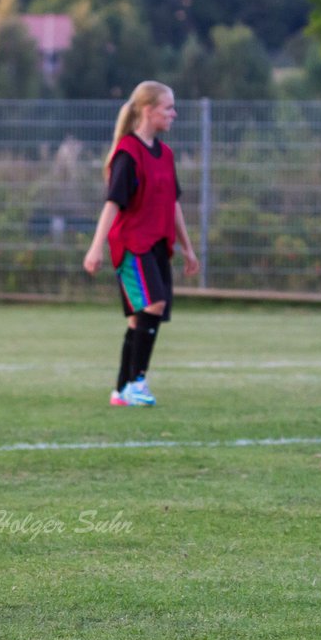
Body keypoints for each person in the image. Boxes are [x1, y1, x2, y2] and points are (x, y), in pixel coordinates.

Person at [83, 81, 199, 407]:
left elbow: (172, 204)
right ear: (148, 110)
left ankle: (121, 390)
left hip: (159, 244)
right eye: (168, 107)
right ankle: (137, 382)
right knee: (154, 304)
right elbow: (113, 204)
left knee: (140, 317)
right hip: (133, 244)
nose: (174, 113)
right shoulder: (128, 153)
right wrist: (96, 247)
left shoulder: (166, 154)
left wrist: (188, 248)